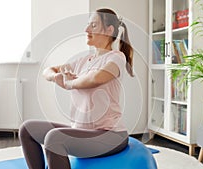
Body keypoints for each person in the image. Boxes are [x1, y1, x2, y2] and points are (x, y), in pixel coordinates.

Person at [19, 8, 134, 169]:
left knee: (54, 138)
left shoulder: (116, 58)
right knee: (27, 129)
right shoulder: (83, 61)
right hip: (81, 130)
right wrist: (56, 77)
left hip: (110, 135)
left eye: (93, 25)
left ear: (109, 30)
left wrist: (69, 83)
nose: (86, 30)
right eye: (87, 25)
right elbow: (48, 71)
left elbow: (95, 79)